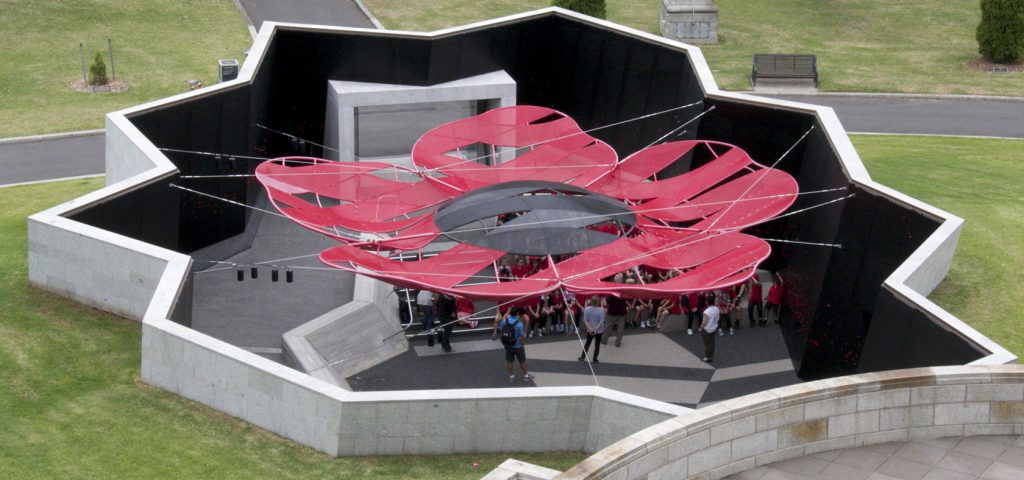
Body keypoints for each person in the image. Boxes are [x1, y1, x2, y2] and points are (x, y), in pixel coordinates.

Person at [495, 306, 533, 382]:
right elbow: (521, 337)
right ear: (517, 314)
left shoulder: (504, 321)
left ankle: (511, 377)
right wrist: (522, 346)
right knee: (522, 361)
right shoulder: (519, 324)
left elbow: (501, 329)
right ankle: (526, 375)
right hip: (517, 345)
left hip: (507, 344)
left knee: (509, 361)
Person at [579, 297, 605, 363]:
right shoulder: (601, 310)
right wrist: (596, 328)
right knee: (597, 345)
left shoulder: (587, 309)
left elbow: (585, 321)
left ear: (590, 302)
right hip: (599, 331)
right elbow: (602, 321)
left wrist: (590, 329)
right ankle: (595, 359)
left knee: (587, 343)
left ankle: (582, 357)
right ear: (598, 302)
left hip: (590, 330)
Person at [700, 292, 720, 363]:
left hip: (707, 329)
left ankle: (707, 357)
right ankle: (711, 356)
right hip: (714, 328)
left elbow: (705, 321)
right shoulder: (716, 309)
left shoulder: (707, 311)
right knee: (712, 343)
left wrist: (701, 326)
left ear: (707, 302)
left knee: (707, 344)